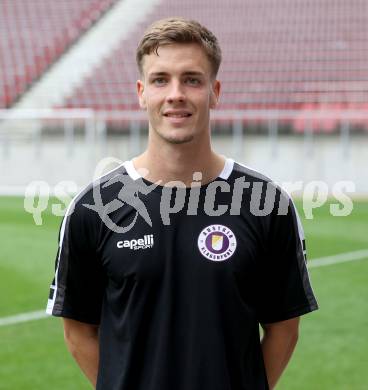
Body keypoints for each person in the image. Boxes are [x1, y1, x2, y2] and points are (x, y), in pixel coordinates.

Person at [46, 17, 318, 390]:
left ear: (214, 91)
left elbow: (284, 328)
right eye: (161, 80)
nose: (176, 93)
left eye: (192, 79)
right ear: (142, 92)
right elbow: (78, 331)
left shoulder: (267, 203)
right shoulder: (93, 208)